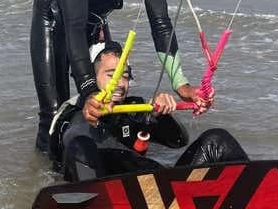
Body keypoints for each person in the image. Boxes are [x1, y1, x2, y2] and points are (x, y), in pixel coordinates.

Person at [30, 0, 206, 152]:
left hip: (94, 16)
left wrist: (181, 84)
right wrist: (89, 89)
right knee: (54, 111)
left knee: (108, 96)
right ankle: (48, 173)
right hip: (55, 16)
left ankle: (107, 159)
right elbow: (74, 26)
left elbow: (161, 24)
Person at [50, 41, 249, 182]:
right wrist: (95, 115)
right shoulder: (75, 111)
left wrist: (160, 116)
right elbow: (69, 146)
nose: (120, 83)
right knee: (80, 144)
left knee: (217, 140)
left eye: (125, 76)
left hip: (154, 191)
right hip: (107, 194)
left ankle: (260, 196)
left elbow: (178, 141)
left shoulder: (134, 107)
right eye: (112, 75)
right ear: (92, 78)